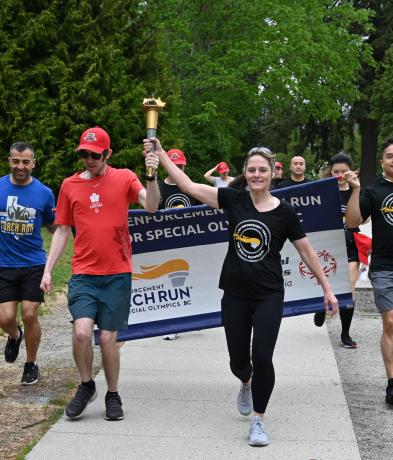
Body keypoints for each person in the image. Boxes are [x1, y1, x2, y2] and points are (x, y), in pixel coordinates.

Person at [144, 138, 338, 447]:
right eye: (252, 170)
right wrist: (160, 153)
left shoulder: (285, 212)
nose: (257, 175)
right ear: (245, 173)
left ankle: (258, 420)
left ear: (272, 173)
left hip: (269, 295)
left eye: (263, 170)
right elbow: (188, 185)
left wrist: (327, 289)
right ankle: (245, 382)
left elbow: (307, 252)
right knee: (239, 361)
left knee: (263, 356)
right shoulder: (234, 200)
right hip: (234, 292)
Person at [40, 126, 160, 421]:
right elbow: (62, 230)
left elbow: (153, 206)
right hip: (83, 273)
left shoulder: (125, 178)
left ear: (107, 154)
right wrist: (47, 270)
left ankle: (113, 393)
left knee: (108, 339)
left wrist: (152, 176)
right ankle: (86, 385)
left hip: (117, 273)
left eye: (94, 155)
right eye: (84, 154)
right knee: (81, 333)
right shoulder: (69, 185)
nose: (88, 160)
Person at [345, 138, 393, 405]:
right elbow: (353, 221)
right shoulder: (374, 189)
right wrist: (355, 190)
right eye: (390, 156)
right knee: (390, 321)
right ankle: (392, 383)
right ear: (383, 162)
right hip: (385, 267)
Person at [0, 142, 55, 385]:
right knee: (5, 318)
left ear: (33, 163)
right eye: (15, 161)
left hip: (33, 263)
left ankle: (31, 364)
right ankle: (15, 335)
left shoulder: (44, 193)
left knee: (30, 313)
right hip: (4, 264)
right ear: (9, 161)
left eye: (25, 162)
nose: (20, 166)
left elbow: (54, 225)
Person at [313, 153, 359, 348]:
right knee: (327, 284)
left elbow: (363, 219)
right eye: (336, 172)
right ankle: (321, 306)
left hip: (350, 244)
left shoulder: (357, 191)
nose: (340, 175)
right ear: (330, 172)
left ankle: (345, 334)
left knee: (348, 290)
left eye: (344, 171)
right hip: (328, 245)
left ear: (351, 171)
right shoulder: (323, 191)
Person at [159, 148, 200, 340]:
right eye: (173, 165)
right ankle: (171, 324)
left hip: (191, 242)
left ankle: (194, 317)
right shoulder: (158, 187)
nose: (177, 168)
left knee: (194, 281)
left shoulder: (191, 187)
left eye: (180, 165)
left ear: (185, 165)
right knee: (173, 283)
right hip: (167, 243)